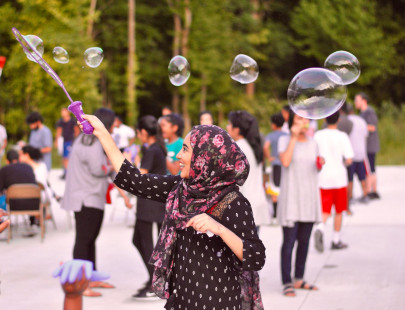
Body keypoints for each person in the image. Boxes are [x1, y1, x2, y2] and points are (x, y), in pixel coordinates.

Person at [80, 113, 266, 309]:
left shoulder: (232, 202)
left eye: (186, 150)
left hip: (218, 302)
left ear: (205, 157)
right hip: (182, 300)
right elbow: (134, 180)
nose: (178, 155)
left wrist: (219, 228)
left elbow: (256, 257)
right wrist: (101, 132)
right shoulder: (180, 189)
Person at [62, 108, 116, 297]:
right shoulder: (91, 141)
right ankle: (80, 284)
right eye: (113, 125)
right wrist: (112, 165)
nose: (114, 130)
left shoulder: (87, 138)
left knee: (90, 239)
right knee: (84, 240)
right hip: (86, 198)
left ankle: (91, 277)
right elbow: (97, 168)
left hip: (91, 196)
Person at [278, 111, 322, 297]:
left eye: (306, 119)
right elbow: (286, 161)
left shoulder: (314, 143)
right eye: (299, 119)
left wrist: (321, 164)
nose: (303, 122)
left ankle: (299, 278)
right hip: (291, 199)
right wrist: (294, 137)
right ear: (291, 123)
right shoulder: (284, 141)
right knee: (289, 242)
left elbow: (316, 168)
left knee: (304, 242)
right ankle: (287, 281)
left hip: (309, 198)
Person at [131, 115, 167, 299]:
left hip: (149, 204)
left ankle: (156, 283)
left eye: (138, 132)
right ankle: (154, 278)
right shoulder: (156, 148)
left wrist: (128, 161)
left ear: (144, 132)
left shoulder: (152, 150)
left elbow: (140, 176)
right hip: (153, 202)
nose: (138, 135)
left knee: (145, 243)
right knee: (140, 240)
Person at [314, 111, 353, 251]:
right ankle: (336, 240)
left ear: (325, 118)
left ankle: (320, 227)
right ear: (339, 120)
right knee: (339, 210)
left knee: (325, 209)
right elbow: (349, 159)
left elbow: (314, 156)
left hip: (323, 177)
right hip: (339, 178)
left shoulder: (318, 135)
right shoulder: (343, 136)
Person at [227, 111, 270, 232]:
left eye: (230, 124)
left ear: (237, 129)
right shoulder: (254, 146)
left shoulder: (237, 148)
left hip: (242, 207)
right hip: (256, 203)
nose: (227, 127)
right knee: (251, 248)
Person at [0, 150, 37, 235]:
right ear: (18, 159)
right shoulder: (28, 167)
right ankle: (33, 223)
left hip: (14, 205)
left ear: (7, 161)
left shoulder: (4, 170)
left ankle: (2, 223)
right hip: (34, 204)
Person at [354, 92, 381, 199]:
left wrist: (361, 127)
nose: (356, 102)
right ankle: (373, 191)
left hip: (370, 145)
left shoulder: (369, 112)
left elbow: (373, 127)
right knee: (371, 169)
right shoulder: (362, 113)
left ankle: (369, 192)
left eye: (357, 100)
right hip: (367, 145)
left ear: (363, 101)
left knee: (369, 169)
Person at [263, 113, 288, 220]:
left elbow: (265, 147)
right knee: (284, 187)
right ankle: (284, 212)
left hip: (275, 164)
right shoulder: (286, 135)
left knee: (274, 188)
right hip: (285, 165)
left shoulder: (271, 135)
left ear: (273, 125)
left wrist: (269, 157)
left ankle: (275, 214)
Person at [347, 105, 369, 204]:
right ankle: (365, 194)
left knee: (349, 177)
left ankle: (350, 197)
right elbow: (366, 135)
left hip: (350, 153)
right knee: (362, 176)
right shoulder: (361, 120)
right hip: (361, 153)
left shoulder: (346, 121)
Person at [55, 107, 79, 179]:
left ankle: (68, 173)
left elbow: (76, 130)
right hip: (62, 141)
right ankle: (65, 172)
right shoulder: (60, 121)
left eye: (64, 111)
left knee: (67, 157)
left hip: (70, 141)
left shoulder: (72, 121)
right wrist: (56, 141)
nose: (63, 113)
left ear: (68, 112)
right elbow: (59, 131)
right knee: (64, 157)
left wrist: (75, 139)